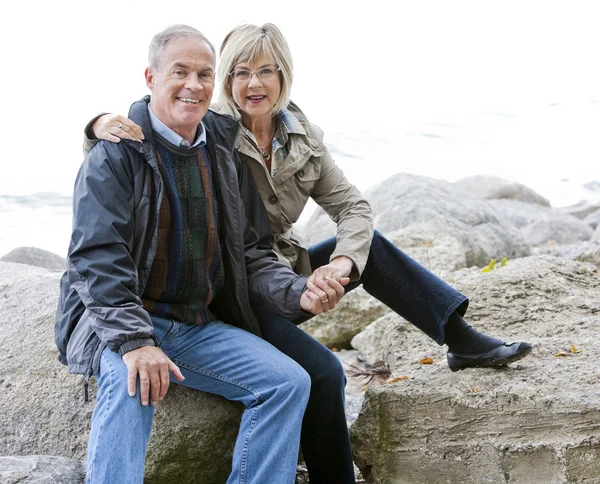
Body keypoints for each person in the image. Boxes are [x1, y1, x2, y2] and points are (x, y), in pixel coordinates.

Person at [86, 23, 533, 483]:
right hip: (231, 287)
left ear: (284, 76)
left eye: (267, 71)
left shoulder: (297, 135)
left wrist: (336, 267)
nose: (254, 83)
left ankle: (458, 337)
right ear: (227, 80)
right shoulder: (212, 128)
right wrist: (96, 126)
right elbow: (137, 147)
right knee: (321, 371)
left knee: (368, 250)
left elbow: (350, 208)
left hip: (269, 272)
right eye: (240, 72)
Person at [55, 24, 349, 484]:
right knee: (135, 383)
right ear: (150, 77)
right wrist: (135, 343)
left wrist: (298, 292)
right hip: (120, 322)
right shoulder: (115, 154)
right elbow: (97, 257)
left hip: (196, 324)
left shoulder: (223, 148)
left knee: (289, 383)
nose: (193, 85)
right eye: (180, 72)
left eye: (205, 75)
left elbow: (250, 251)